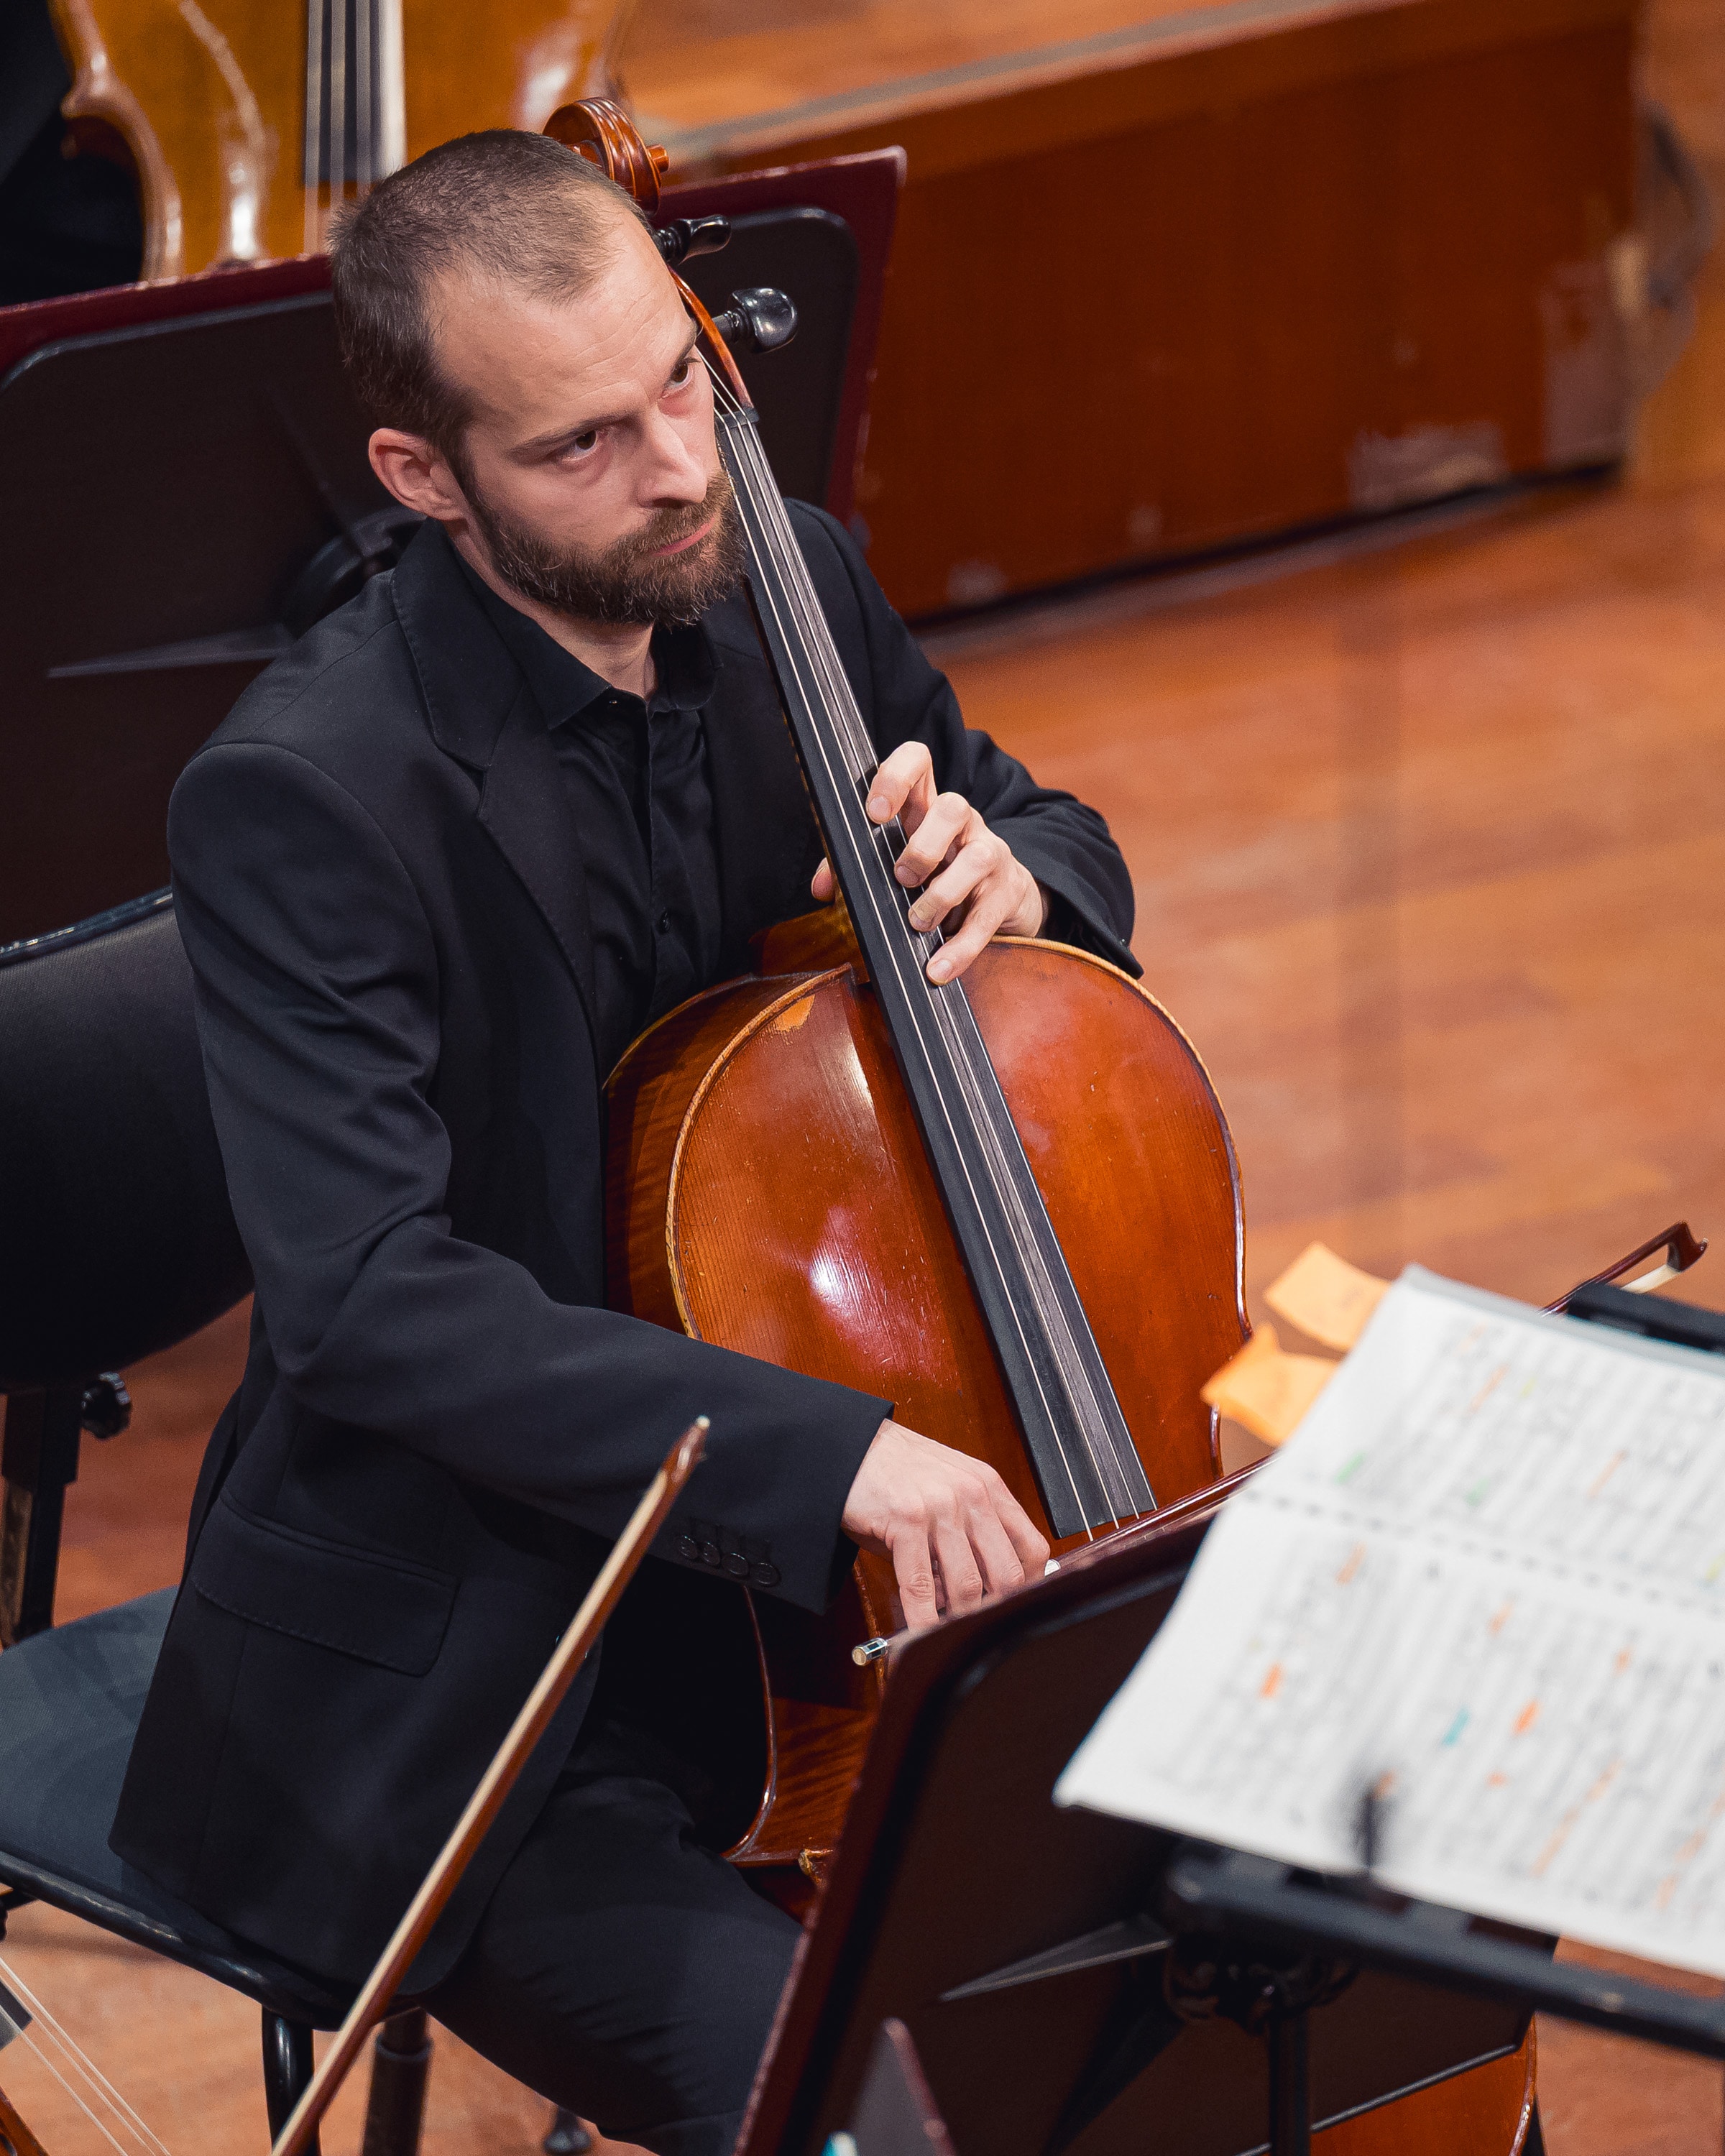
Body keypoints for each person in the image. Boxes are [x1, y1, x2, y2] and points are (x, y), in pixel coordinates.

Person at [110, 128, 1141, 2156]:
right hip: (504, 1677)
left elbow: (1058, 828)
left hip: (846, 1605)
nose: (681, 468)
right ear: (429, 480)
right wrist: (828, 1453)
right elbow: (369, 1305)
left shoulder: (788, 580)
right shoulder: (310, 798)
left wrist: (1010, 873)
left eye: (684, 378)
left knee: (1251, 1982)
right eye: (583, 443)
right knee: (895, 2131)